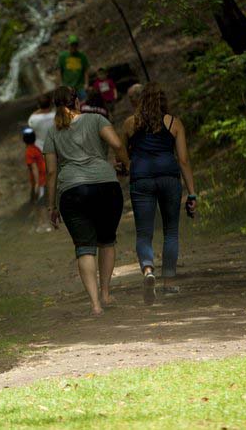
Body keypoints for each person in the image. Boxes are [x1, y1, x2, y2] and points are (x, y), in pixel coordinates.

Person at [41, 86, 131, 316]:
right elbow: (118, 145)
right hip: (105, 187)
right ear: (78, 102)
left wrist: (51, 206)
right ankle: (106, 293)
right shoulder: (96, 119)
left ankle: (95, 305)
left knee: (84, 248)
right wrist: (125, 165)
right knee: (107, 241)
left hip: (72, 191)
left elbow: (51, 173)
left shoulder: (53, 132)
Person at [122, 83, 197, 304]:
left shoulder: (129, 124)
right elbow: (183, 160)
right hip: (168, 178)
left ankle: (147, 270)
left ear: (140, 100)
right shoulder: (174, 123)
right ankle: (169, 283)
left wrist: (127, 166)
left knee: (144, 233)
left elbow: (123, 156)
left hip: (142, 180)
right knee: (171, 231)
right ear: (163, 100)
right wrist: (192, 193)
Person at [57, 35, 90, 100]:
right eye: (72, 45)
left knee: (85, 103)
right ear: (68, 45)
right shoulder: (62, 56)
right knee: (71, 107)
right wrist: (61, 85)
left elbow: (86, 71)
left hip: (80, 86)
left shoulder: (82, 56)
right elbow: (59, 71)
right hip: (68, 88)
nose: (73, 47)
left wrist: (87, 84)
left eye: (75, 45)